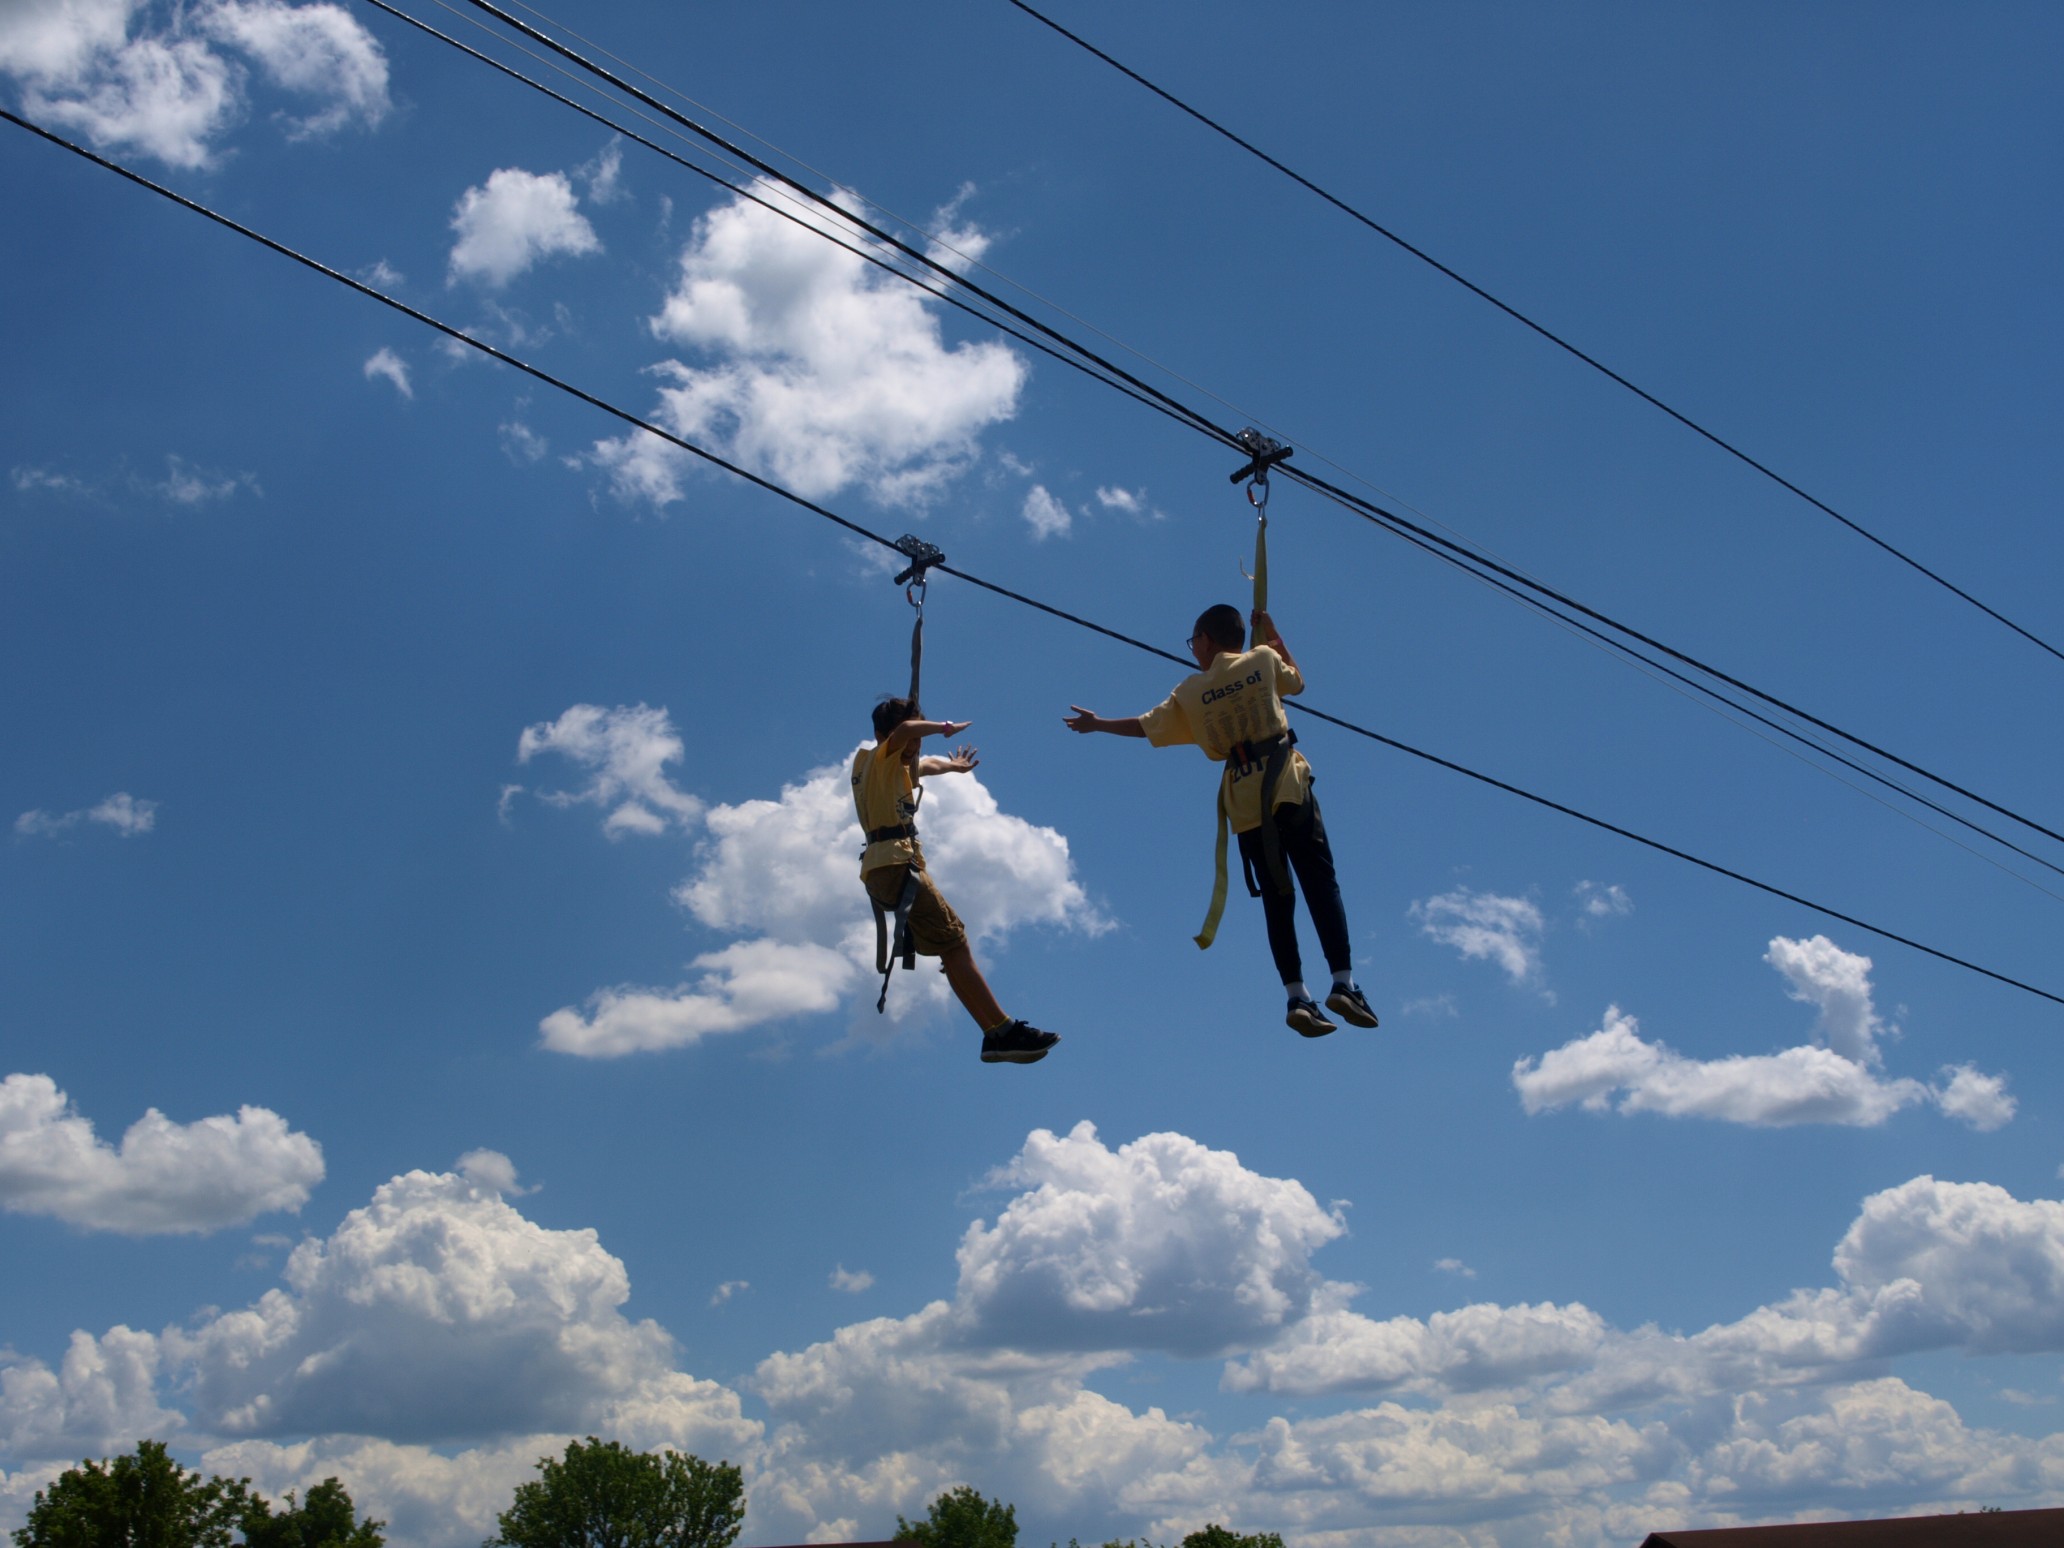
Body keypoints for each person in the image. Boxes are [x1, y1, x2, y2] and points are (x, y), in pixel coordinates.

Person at [1065, 604, 1378, 1037]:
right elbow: (1297, 682)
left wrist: (1098, 724)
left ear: (1206, 640)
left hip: (1245, 801)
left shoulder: (1190, 691)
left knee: (1277, 898)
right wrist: (1273, 634)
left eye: (1193, 641)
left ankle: (1296, 995)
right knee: (1320, 883)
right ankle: (1343, 983)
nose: (1193, 650)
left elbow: (1144, 727)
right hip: (1285, 785)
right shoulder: (1262, 659)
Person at [853, 696, 1061, 1064]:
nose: (914, 746)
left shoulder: (882, 770)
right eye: (909, 740)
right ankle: (1002, 1030)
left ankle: (995, 1034)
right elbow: (905, 731)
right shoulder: (882, 757)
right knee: (957, 944)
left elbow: (924, 764)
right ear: (883, 737)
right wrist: (945, 727)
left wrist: (952, 766)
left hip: (883, 871)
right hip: (897, 865)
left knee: (951, 949)